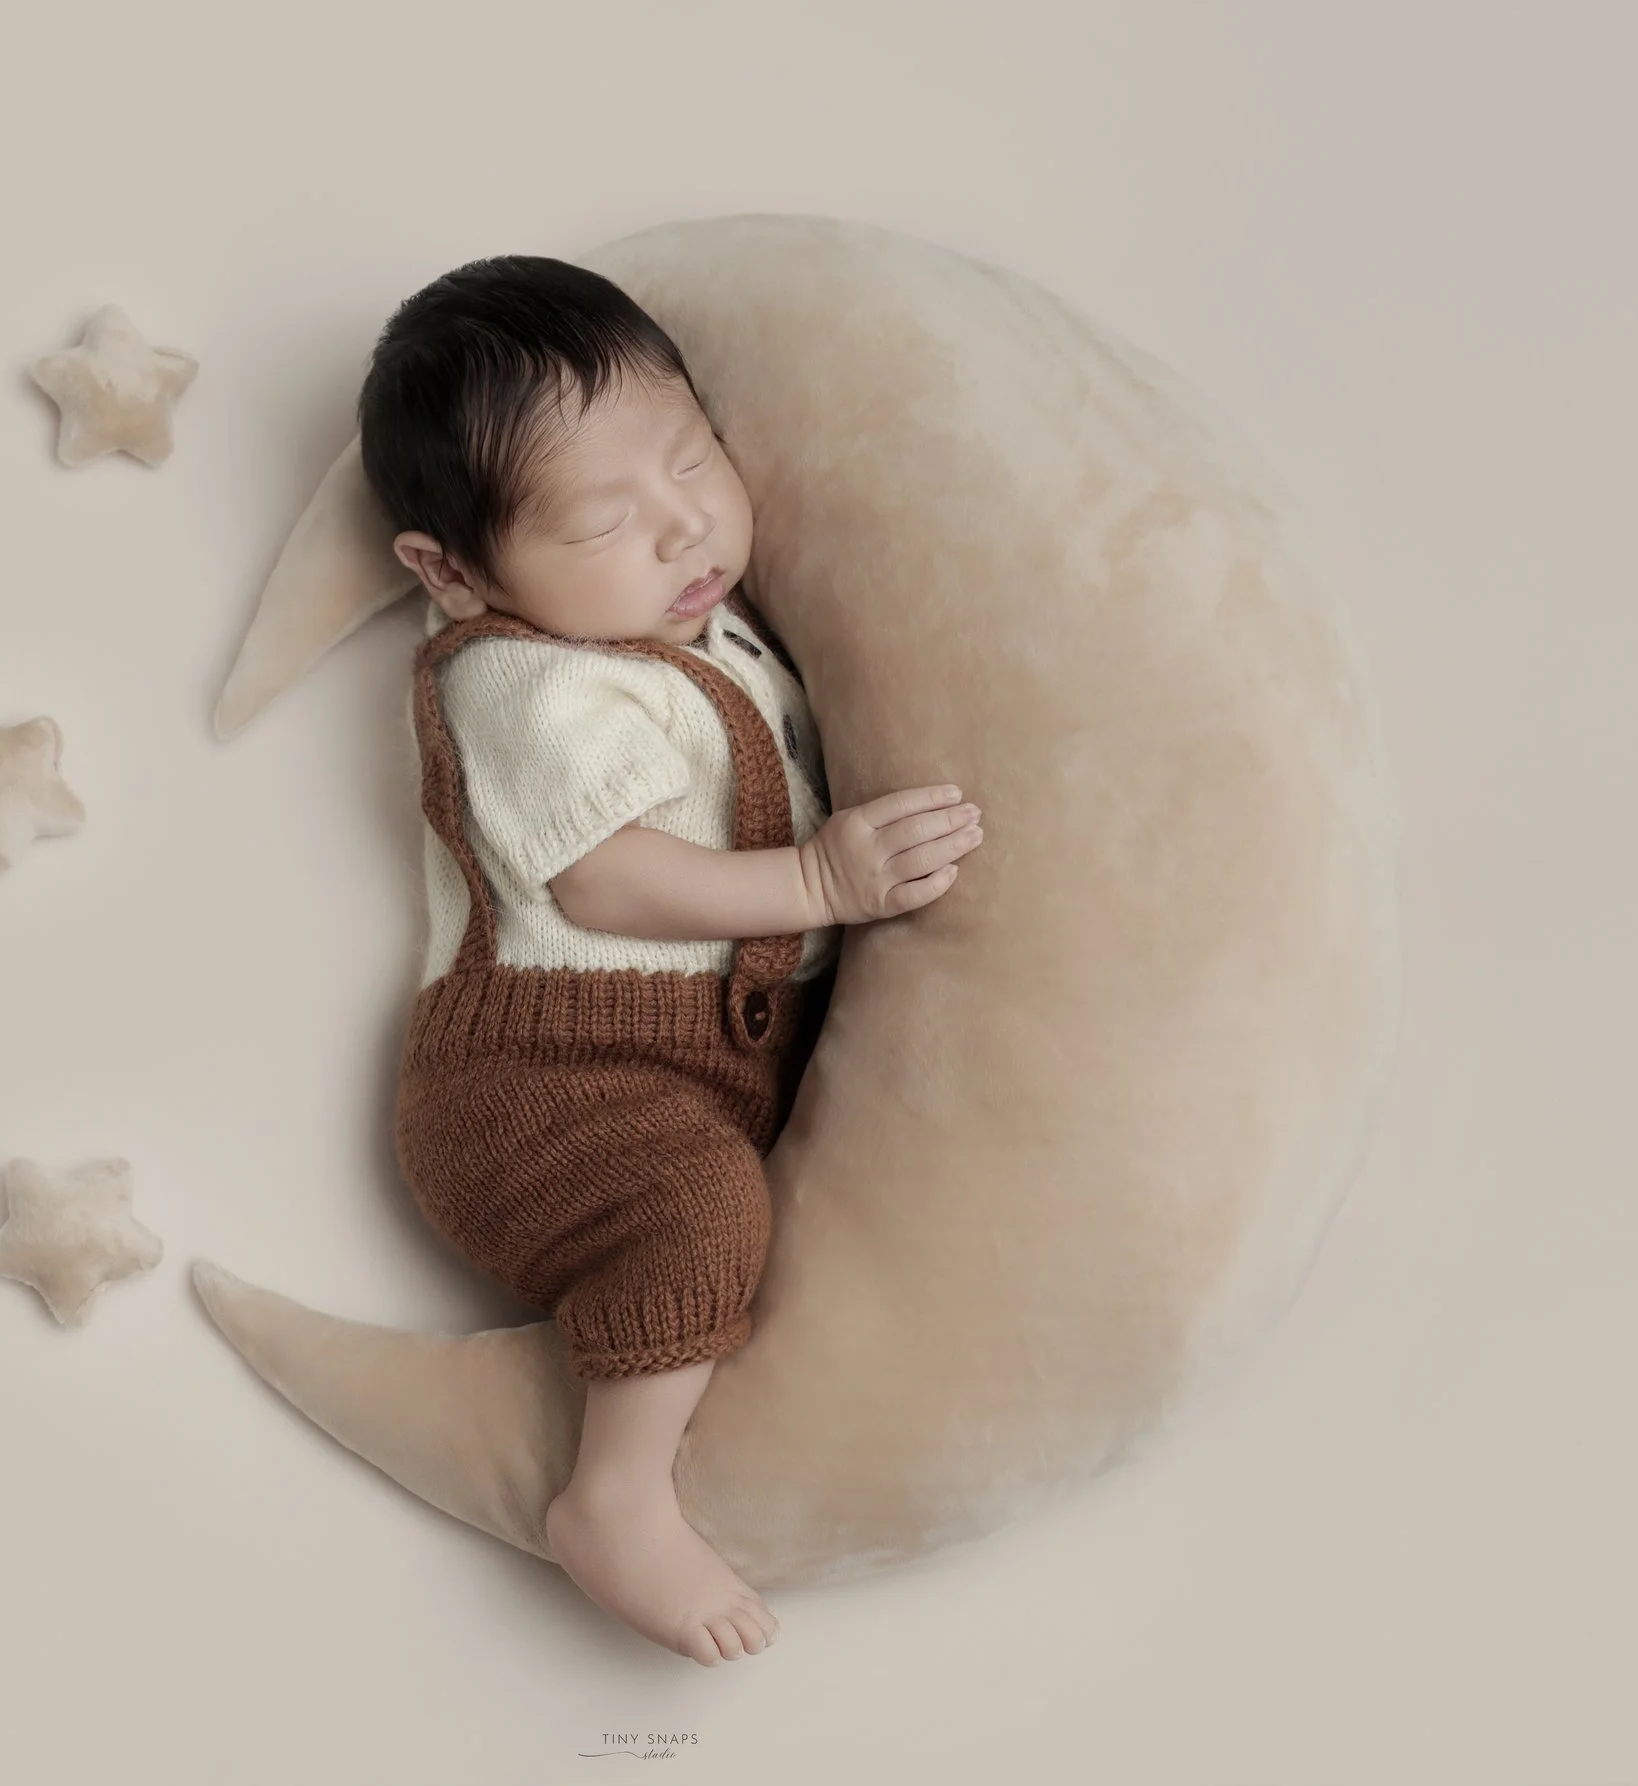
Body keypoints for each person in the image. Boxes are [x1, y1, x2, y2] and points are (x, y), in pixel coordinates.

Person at [360, 254, 983, 1665]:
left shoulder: (706, 628)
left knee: (753, 1195)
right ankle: (615, 1494)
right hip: (538, 1088)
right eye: (600, 520)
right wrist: (822, 877)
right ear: (452, 573)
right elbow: (613, 878)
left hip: (691, 1067)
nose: (683, 522)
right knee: (700, 1208)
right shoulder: (517, 681)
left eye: (692, 457)